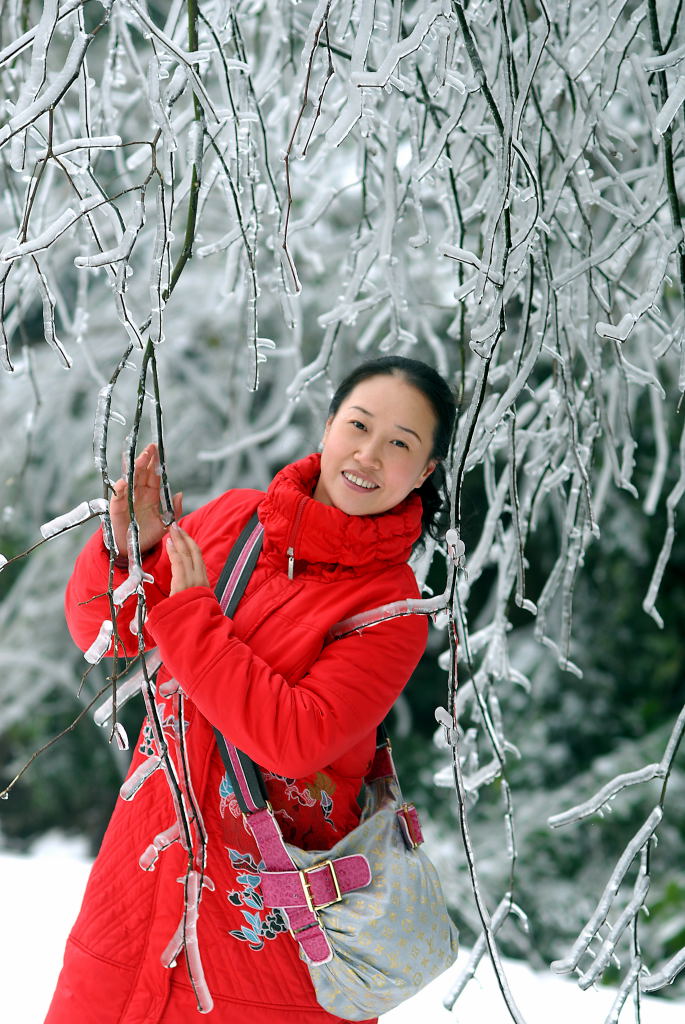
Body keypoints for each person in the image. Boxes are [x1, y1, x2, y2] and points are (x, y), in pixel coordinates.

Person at [45, 356, 457, 1024]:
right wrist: (128, 547)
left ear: (426, 471)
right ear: (328, 425)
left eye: (400, 444)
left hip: (267, 949)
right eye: (357, 425)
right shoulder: (234, 522)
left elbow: (291, 739)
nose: (367, 454)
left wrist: (187, 616)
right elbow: (107, 631)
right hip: (135, 898)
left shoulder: (390, 611)